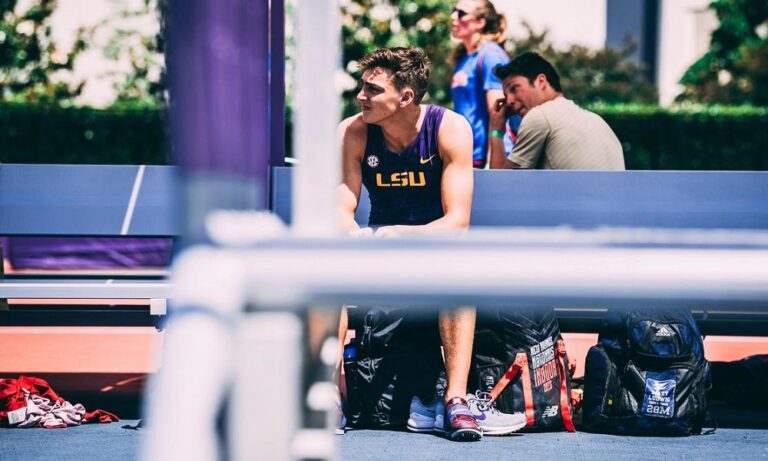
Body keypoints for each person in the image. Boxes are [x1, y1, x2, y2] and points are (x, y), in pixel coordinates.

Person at [337, 47, 482, 441]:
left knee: (459, 275)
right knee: (326, 270)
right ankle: (331, 399)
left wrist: (402, 235)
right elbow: (341, 208)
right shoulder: (354, 131)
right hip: (379, 253)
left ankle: (456, 400)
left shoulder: (448, 128)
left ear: (405, 97)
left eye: (372, 90)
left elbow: (457, 222)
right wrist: (352, 236)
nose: (361, 96)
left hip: (433, 249)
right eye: (362, 87)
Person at [488, 51, 626, 170]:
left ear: (541, 82)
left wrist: (496, 130)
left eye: (514, 88)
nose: (509, 101)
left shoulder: (540, 116)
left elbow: (501, 185)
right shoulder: (597, 120)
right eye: (506, 96)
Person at [450, 0, 519, 169]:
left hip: (488, 159)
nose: (453, 17)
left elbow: (498, 113)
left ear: (480, 22)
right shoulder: (464, 59)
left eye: (461, 13)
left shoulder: (491, 56)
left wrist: (491, 161)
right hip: (468, 156)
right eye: (453, 10)